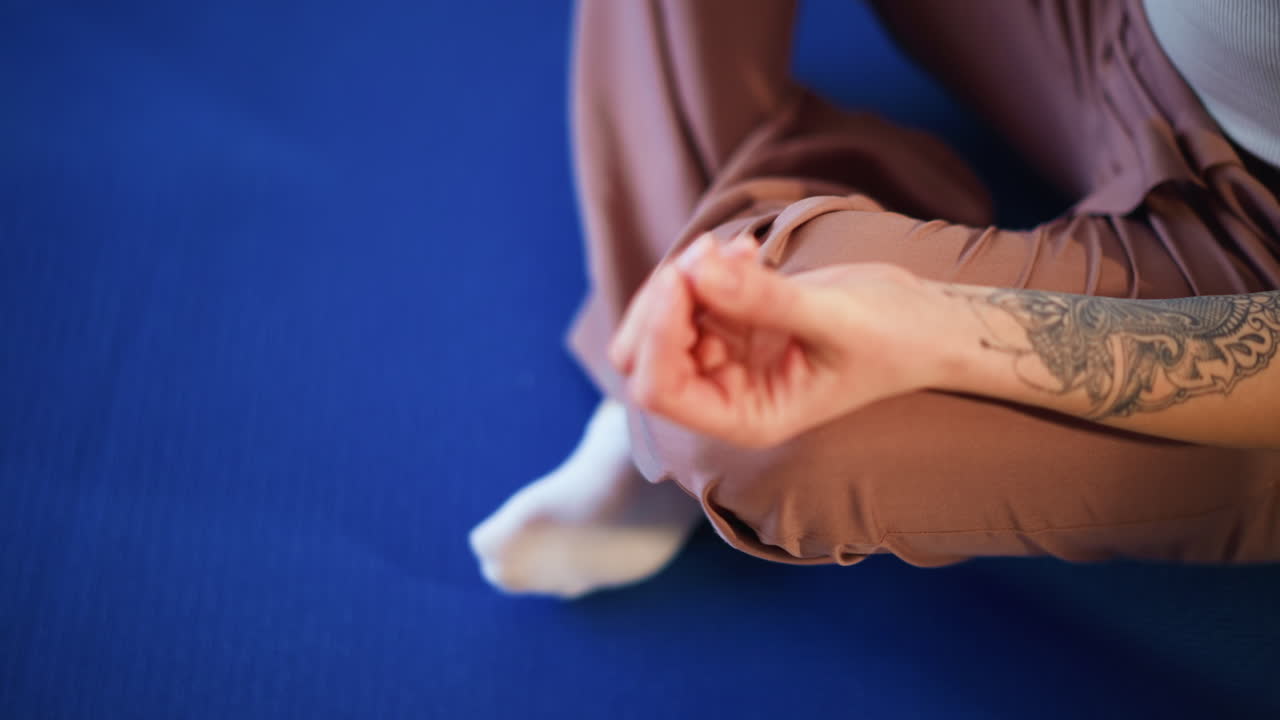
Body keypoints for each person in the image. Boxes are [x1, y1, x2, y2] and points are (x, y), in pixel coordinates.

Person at [470, 0, 1280, 599]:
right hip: (1117, 28)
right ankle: (690, 310)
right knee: (724, 368)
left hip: (1249, 274)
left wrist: (935, 326)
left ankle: (666, 355)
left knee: (752, 433)